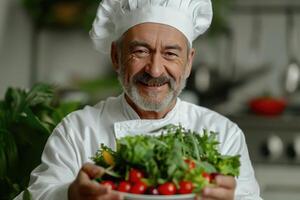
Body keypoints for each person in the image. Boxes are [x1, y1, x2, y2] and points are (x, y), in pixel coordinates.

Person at [14, 0, 262, 199]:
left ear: (188, 63)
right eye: (140, 51)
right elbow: (36, 195)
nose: (155, 70)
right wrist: (69, 195)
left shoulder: (224, 135)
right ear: (116, 56)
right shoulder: (77, 131)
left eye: (170, 54)